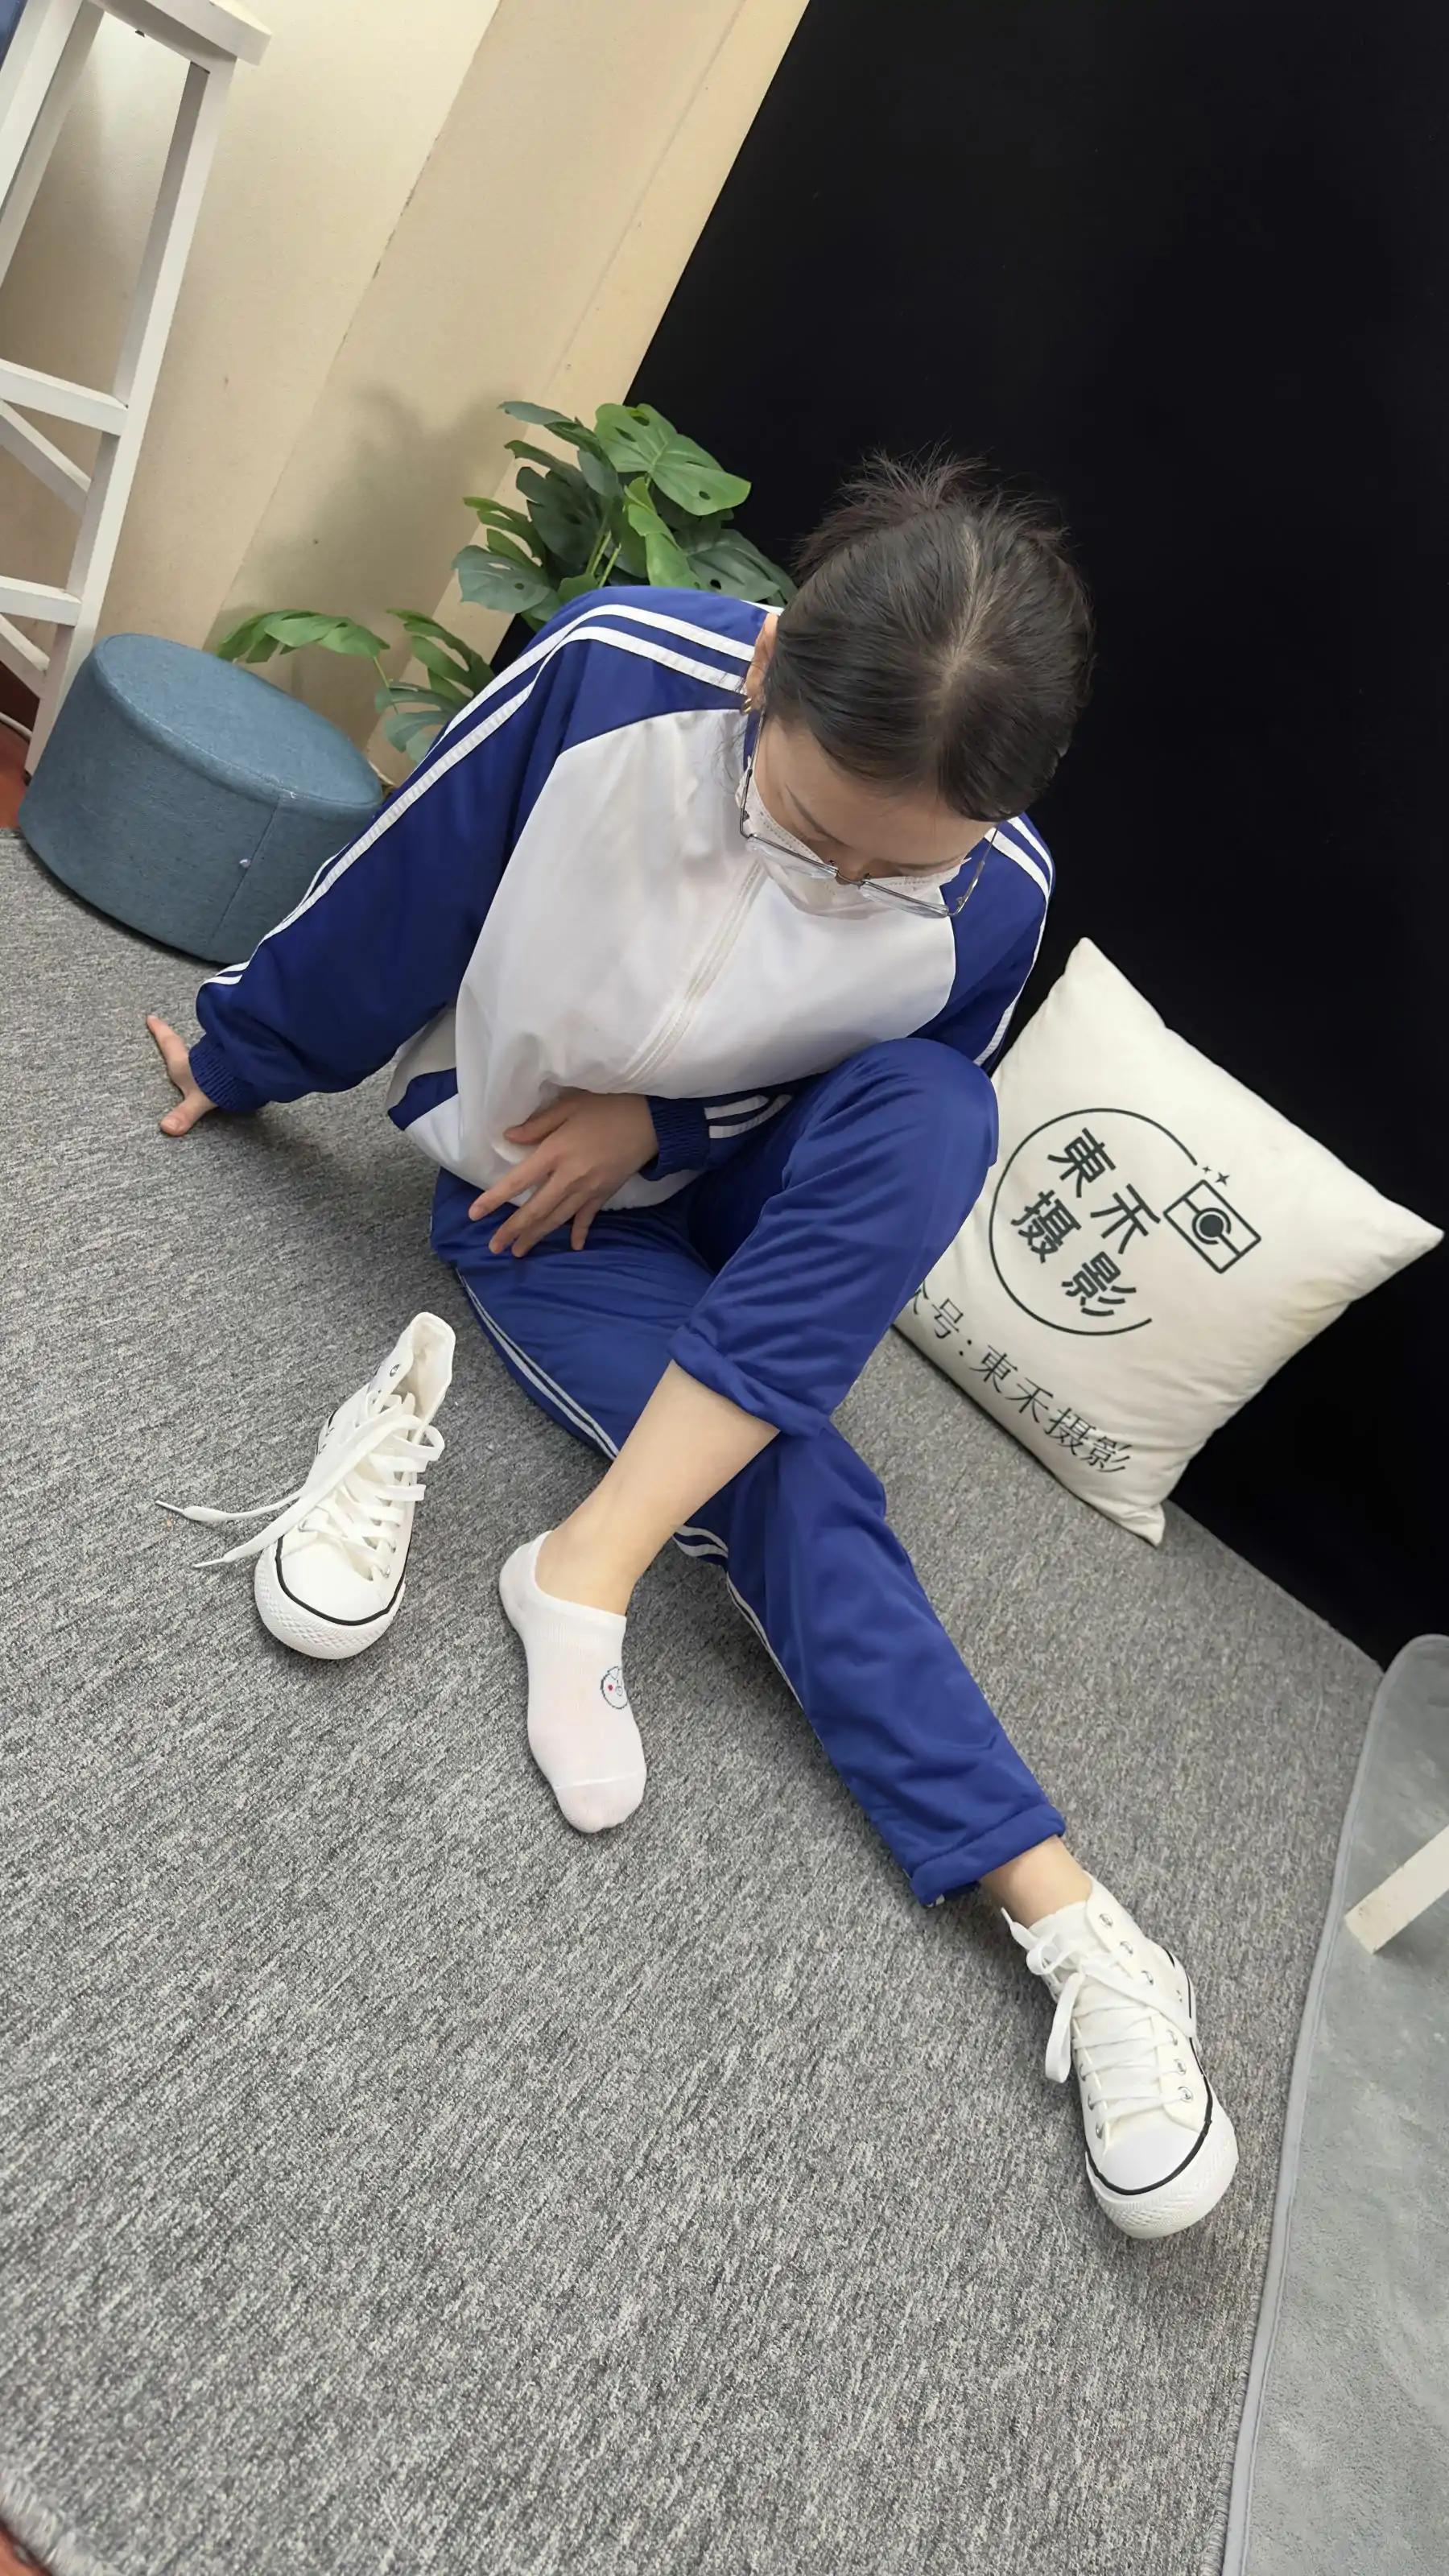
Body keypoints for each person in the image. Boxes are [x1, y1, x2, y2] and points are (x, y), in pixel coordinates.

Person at [146, 455, 1237, 2240]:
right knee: (788, 1477)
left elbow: (864, 1106)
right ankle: (1070, 1911)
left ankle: (585, 1564)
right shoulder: (614, 671)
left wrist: (659, 1125)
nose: (841, 881)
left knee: (941, 1116)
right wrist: (240, 1051)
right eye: (812, 828)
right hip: (541, 1207)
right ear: (769, 667)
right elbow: (402, 892)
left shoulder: (1000, 886)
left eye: (893, 870)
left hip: (728, 1193)